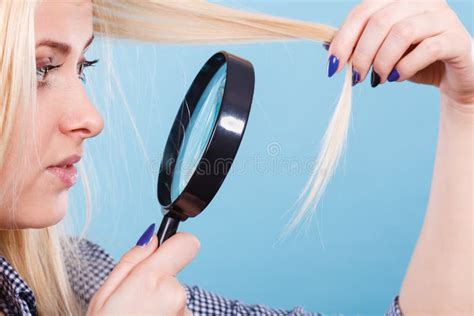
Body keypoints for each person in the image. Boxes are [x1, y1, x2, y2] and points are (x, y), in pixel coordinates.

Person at [0, 0, 472, 315]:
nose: (90, 118)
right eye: (40, 68)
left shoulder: (72, 276)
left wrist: (464, 110)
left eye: (84, 67)